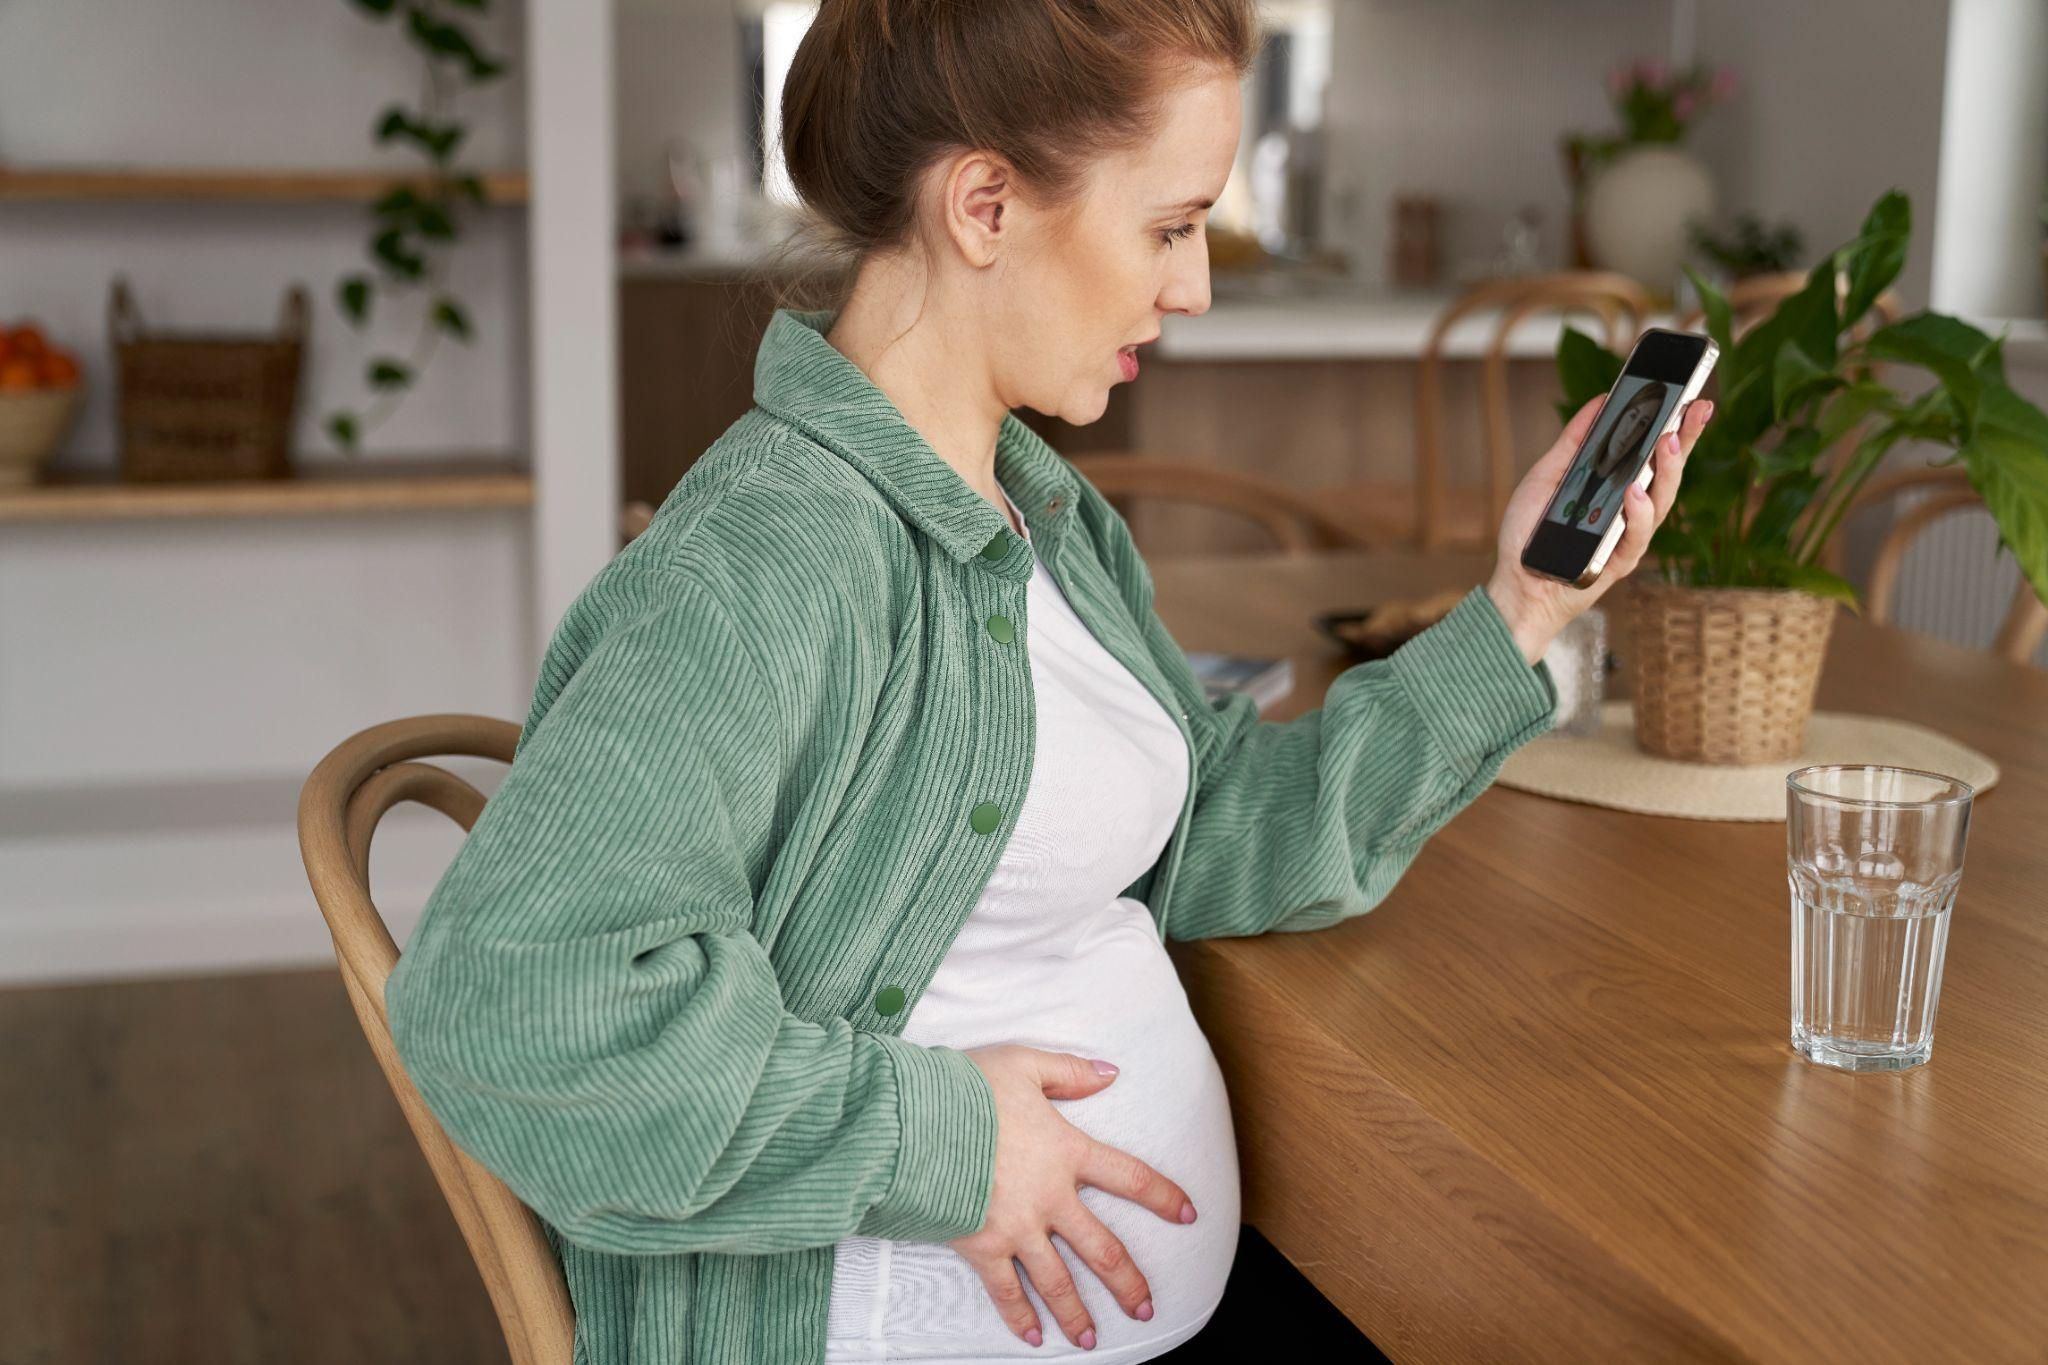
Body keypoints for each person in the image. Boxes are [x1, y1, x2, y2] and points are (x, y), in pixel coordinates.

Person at [383, 1, 1715, 1361]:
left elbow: (1219, 838)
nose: (1193, 286)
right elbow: (508, 1001)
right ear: (984, 206)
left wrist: (1523, 607)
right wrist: (948, 1143)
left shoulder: (1044, 516)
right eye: (1170, 225)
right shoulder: (769, 562)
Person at [1559, 380, 1670, 528]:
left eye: (1642, 424)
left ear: (1644, 434)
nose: (1630, 431)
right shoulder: (1583, 454)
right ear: (1622, 415)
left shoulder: (1638, 479)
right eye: (1632, 416)